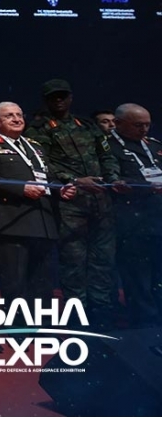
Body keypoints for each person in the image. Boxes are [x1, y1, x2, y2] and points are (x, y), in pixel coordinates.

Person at [25, 79, 122, 328]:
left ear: (70, 97)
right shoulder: (38, 130)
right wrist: (74, 180)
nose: (58, 100)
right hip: (69, 204)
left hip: (101, 202)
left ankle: (102, 313)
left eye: (62, 96)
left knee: (103, 261)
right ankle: (78, 317)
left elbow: (106, 155)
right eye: (53, 97)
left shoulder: (87, 125)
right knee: (73, 263)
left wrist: (112, 178)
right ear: (46, 100)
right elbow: (42, 164)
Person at [0, 102, 75, 326]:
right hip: (12, 222)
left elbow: (48, 176)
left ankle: (42, 325)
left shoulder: (34, 145)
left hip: (42, 221)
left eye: (19, 114)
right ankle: (18, 327)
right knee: (15, 281)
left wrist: (61, 189)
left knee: (43, 280)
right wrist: (21, 188)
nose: (16, 119)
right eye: (9, 116)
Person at [107, 103, 162, 327]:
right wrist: (148, 186)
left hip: (158, 219)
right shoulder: (108, 146)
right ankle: (145, 323)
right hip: (131, 223)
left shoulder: (154, 145)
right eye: (138, 125)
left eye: (147, 125)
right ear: (119, 123)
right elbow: (112, 180)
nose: (144, 130)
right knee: (137, 277)